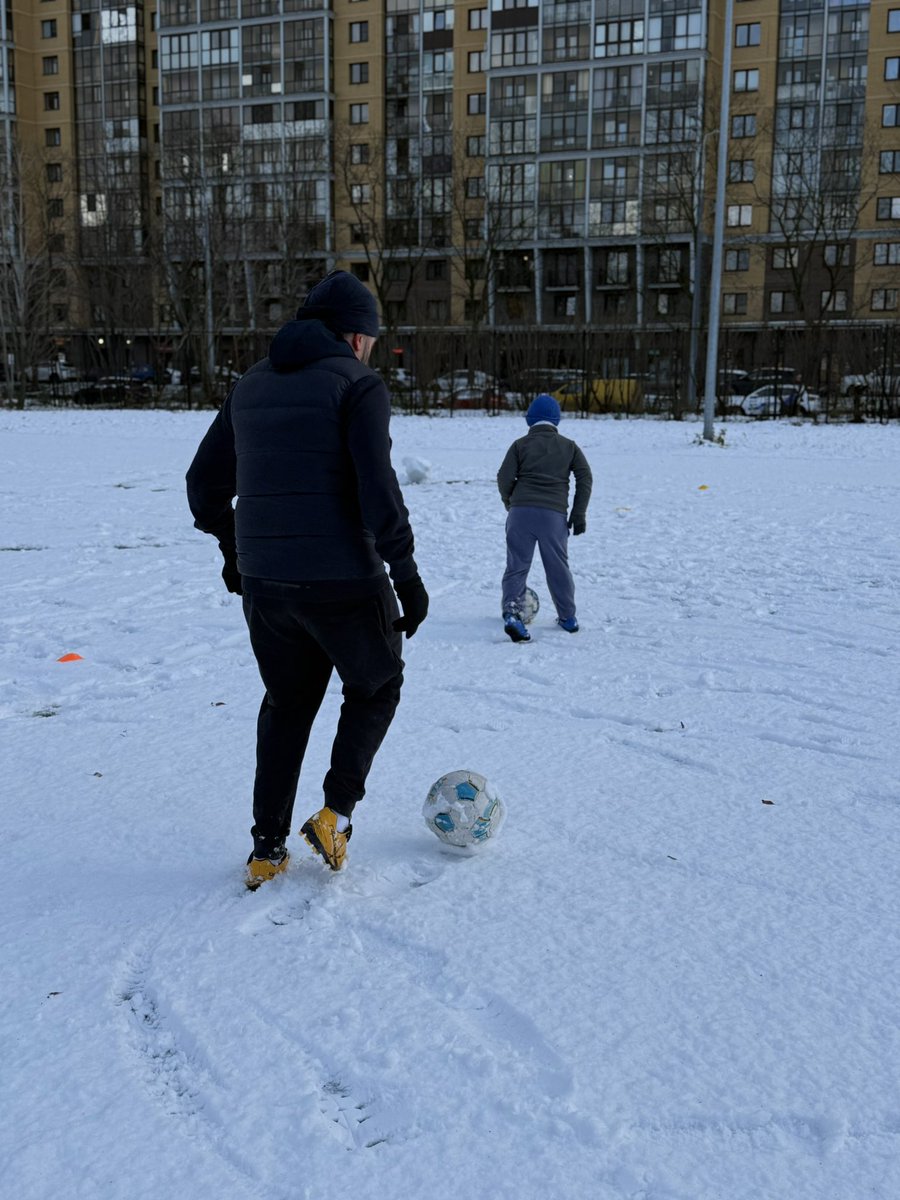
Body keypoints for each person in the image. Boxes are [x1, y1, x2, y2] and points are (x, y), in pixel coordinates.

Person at [186, 270, 429, 887]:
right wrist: (407, 575)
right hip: (344, 580)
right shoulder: (358, 385)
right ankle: (335, 815)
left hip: (267, 585)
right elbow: (378, 489)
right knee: (377, 686)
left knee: (288, 705)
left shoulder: (250, 385)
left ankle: (266, 849)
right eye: (371, 338)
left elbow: (202, 487)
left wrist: (234, 549)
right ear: (355, 336)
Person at [497, 392, 592, 643]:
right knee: (558, 567)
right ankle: (568, 617)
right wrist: (578, 513)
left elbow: (504, 477)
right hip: (553, 516)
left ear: (530, 420)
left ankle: (512, 614)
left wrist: (511, 502)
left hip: (520, 514)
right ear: (556, 421)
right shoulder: (569, 446)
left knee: (516, 566)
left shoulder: (519, 445)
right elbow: (585, 478)